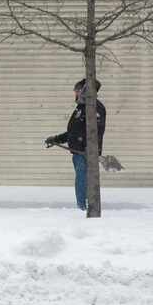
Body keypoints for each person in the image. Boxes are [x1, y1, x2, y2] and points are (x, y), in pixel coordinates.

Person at [45, 79, 107, 211]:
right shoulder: (82, 108)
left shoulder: (95, 107)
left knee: (83, 179)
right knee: (81, 179)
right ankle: (82, 206)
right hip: (79, 152)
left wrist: (88, 149)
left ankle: (84, 208)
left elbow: (97, 131)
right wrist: (56, 139)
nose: (75, 94)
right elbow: (74, 132)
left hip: (86, 153)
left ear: (83, 91)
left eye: (76, 91)